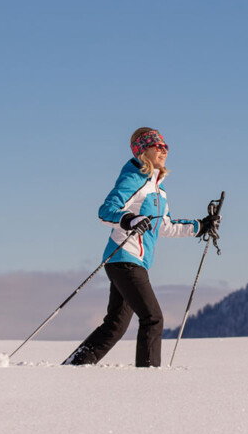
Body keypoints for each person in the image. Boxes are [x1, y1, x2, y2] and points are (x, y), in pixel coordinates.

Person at [63, 127, 219, 367]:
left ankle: (75, 365)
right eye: (158, 146)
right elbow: (106, 210)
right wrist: (129, 219)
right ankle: (148, 376)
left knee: (115, 325)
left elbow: (165, 226)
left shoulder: (159, 190)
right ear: (143, 150)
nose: (164, 150)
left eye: (165, 146)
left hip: (135, 262)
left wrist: (201, 226)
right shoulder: (133, 179)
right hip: (124, 257)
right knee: (152, 318)